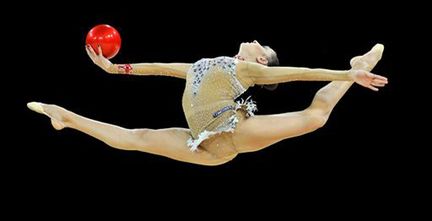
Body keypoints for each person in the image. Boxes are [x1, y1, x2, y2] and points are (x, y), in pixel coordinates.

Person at [27, 41, 387, 166]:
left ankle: (359, 64)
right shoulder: (204, 66)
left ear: (261, 61)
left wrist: (345, 75)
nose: (256, 40)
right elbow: (159, 68)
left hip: (233, 133)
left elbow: (299, 72)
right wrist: (112, 69)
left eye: (263, 47)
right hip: (203, 147)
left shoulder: (247, 71)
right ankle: (66, 117)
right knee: (136, 137)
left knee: (317, 116)